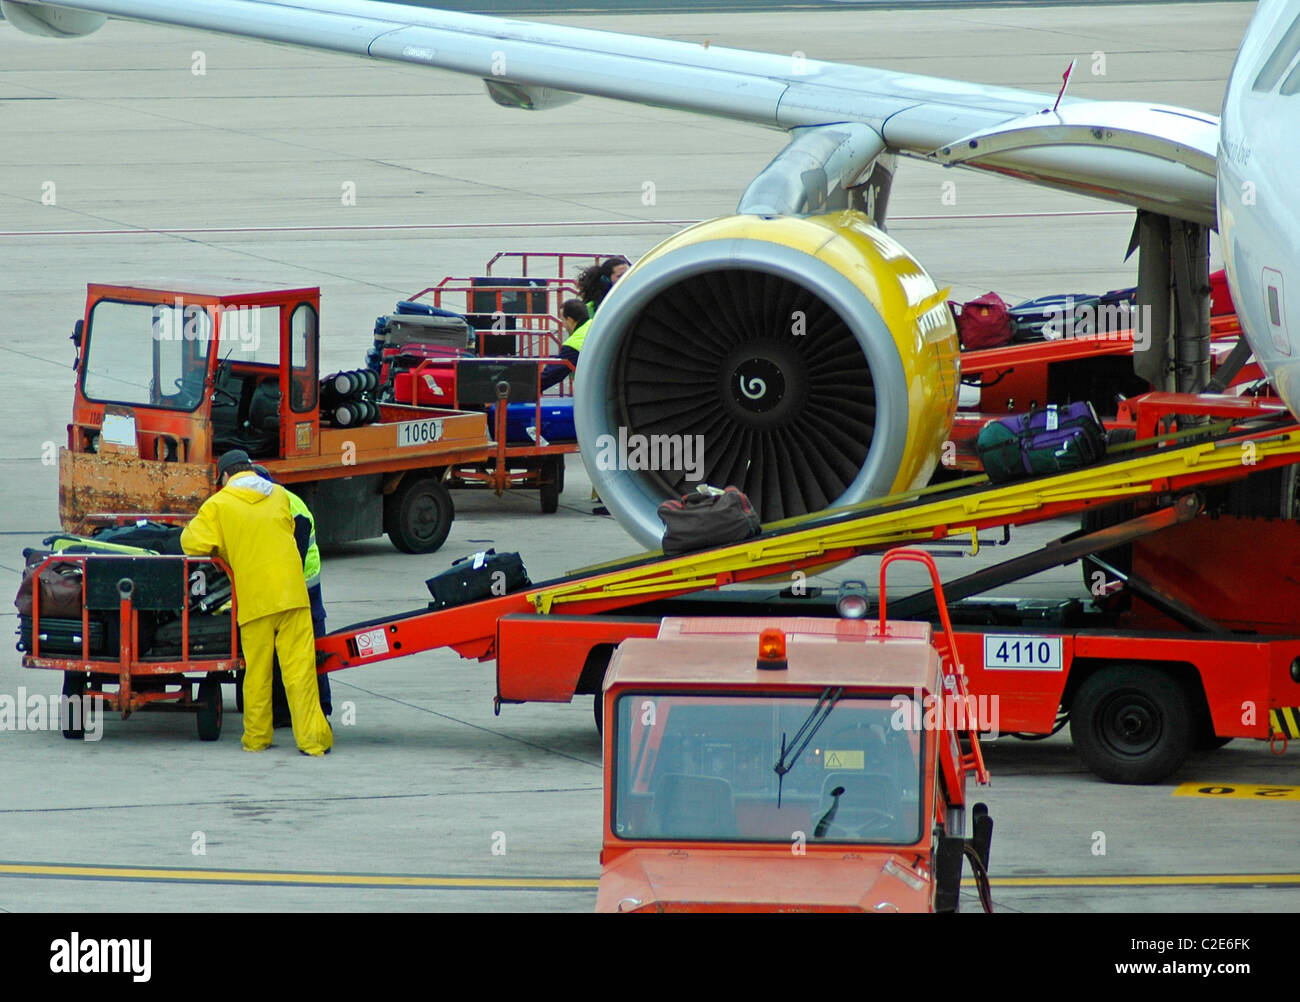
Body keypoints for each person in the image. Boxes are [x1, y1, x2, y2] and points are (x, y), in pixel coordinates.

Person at [181, 450, 333, 756]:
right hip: (293, 596)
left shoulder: (219, 504)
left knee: (257, 675)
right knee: (300, 672)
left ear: (225, 476)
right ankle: (314, 741)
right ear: (251, 470)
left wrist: (225, 547)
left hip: (255, 602)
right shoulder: (279, 495)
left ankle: (257, 738)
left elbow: (190, 542)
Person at [251, 465, 332, 727]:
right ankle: (281, 712)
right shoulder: (271, 505)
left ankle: (320, 709)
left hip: (304, 588)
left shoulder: (291, 507)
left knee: (312, 649)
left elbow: (291, 555)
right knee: (278, 648)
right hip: (285, 586)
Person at [540, 299, 589, 392]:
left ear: (570, 320)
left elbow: (551, 375)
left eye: (562, 320)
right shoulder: (593, 325)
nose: (562, 325)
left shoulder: (574, 344)